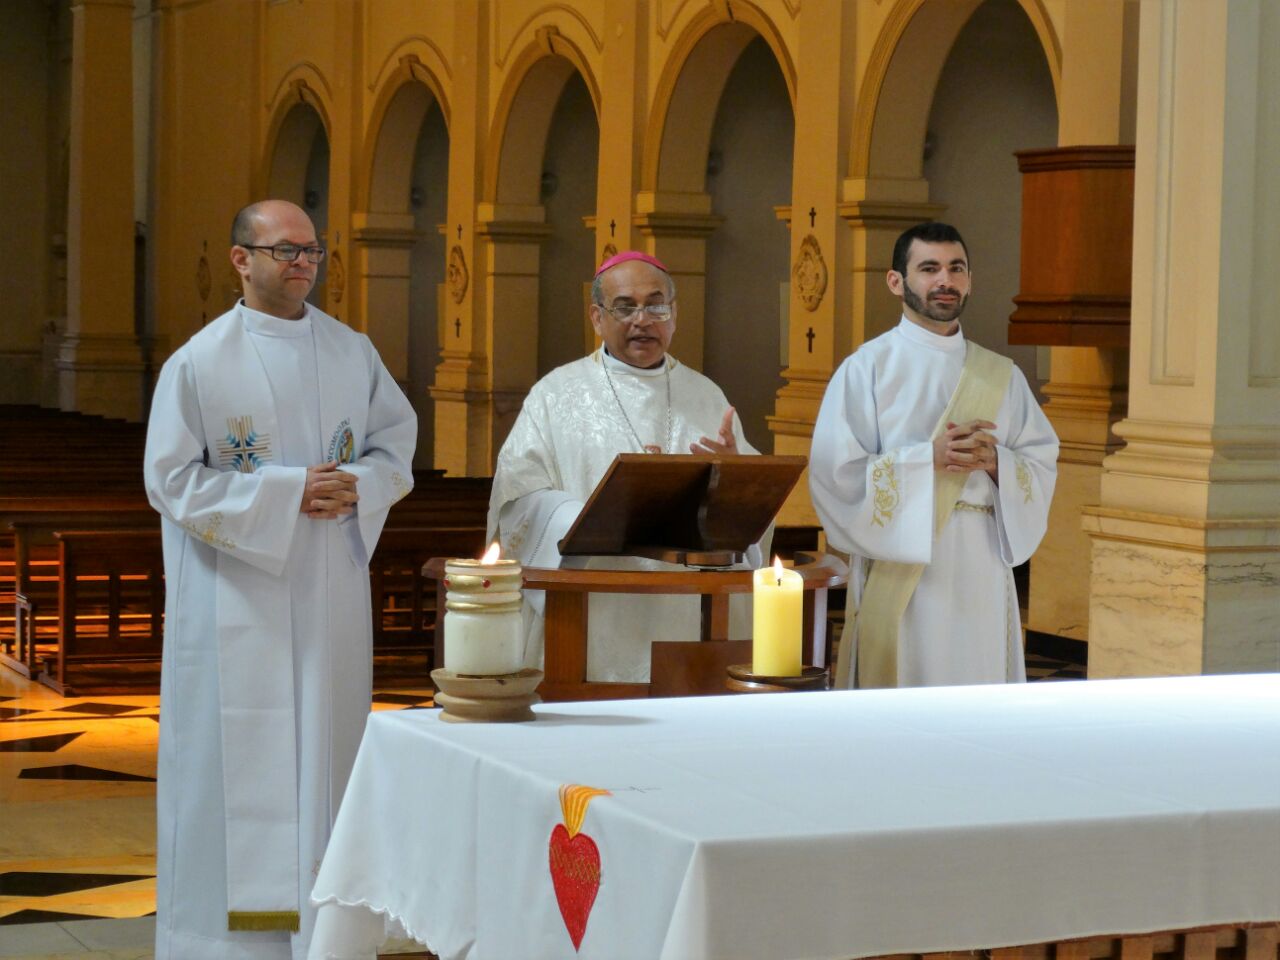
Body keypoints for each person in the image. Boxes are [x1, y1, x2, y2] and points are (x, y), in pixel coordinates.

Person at [143, 199, 416, 959]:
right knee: (232, 769)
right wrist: (285, 492)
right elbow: (169, 481)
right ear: (241, 260)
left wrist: (361, 484)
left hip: (328, 593)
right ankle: (227, 949)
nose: (302, 263)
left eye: (311, 251)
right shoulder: (199, 362)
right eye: (285, 250)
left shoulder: (352, 351)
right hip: (236, 599)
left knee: (327, 756)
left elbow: (396, 444)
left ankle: (325, 938)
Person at [488, 251, 767, 682]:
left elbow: (752, 507)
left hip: (689, 606)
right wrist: (584, 518)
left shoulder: (705, 394)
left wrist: (735, 476)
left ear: (674, 314)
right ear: (597, 317)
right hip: (595, 604)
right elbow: (517, 493)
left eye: (656, 305)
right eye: (625, 307)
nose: (643, 319)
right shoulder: (556, 395)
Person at [809, 221, 1057, 689]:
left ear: (969, 280)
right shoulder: (867, 368)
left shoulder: (1002, 376)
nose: (945, 280)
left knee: (978, 684)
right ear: (896, 281)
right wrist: (928, 460)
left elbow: (1040, 460)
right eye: (929, 268)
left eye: (956, 268)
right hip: (903, 562)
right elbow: (835, 474)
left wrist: (997, 463)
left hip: (981, 561)